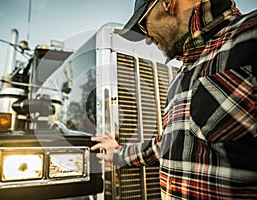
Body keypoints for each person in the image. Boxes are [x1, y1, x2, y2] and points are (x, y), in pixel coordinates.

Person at [91, 0, 257, 199]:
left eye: (143, 25)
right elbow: (173, 142)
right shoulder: (181, 76)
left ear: (168, 3)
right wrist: (118, 154)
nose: (147, 40)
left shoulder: (251, 34)